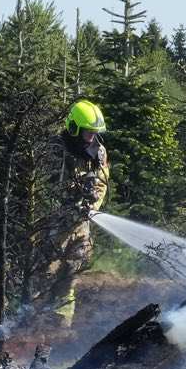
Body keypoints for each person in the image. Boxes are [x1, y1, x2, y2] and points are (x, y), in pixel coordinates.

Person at [48, 99, 110, 325]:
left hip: (81, 223)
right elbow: (45, 183)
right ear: (74, 128)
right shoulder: (55, 149)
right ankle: (26, 319)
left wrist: (92, 204)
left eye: (95, 132)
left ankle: (61, 323)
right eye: (88, 132)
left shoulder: (99, 152)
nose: (92, 137)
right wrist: (72, 192)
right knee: (44, 271)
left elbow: (102, 184)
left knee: (72, 271)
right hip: (52, 222)